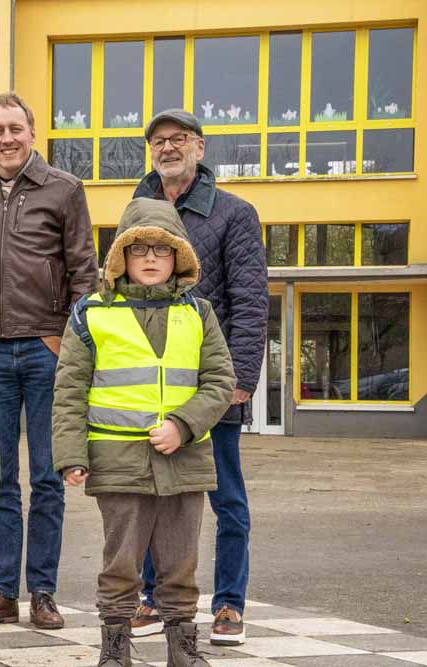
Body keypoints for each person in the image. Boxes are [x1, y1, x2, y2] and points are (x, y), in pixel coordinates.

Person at [53, 197, 235, 666]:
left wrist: (183, 424)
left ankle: (183, 649)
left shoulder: (199, 313)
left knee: (180, 563)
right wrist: (71, 454)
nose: (151, 258)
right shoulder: (90, 313)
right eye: (139, 249)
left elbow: (220, 382)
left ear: (179, 257)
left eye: (162, 249)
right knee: (121, 563)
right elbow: (69, 389)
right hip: (117, 462)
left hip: (184, 460)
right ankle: (114, 649)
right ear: (120, 258)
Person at [0, 92, 97, 629]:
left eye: (16, 128)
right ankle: (2, 590)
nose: (6, 138)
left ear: (32, 132)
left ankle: (43, 592)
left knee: (49, 477)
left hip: (45, 347)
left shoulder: (64, 189)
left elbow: (85, 271)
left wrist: (69, 341)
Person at [131, 109, 268, 646]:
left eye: (178, 139)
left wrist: (241, 379)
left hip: (215, 384)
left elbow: (251, 302)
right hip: (151, 383)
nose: (168, 148)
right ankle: (151, 597)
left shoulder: (235, 214)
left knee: (226, 498)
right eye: (159, 141)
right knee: (153, 494)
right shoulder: (136, 210)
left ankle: (229, 605)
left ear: (200, 148)